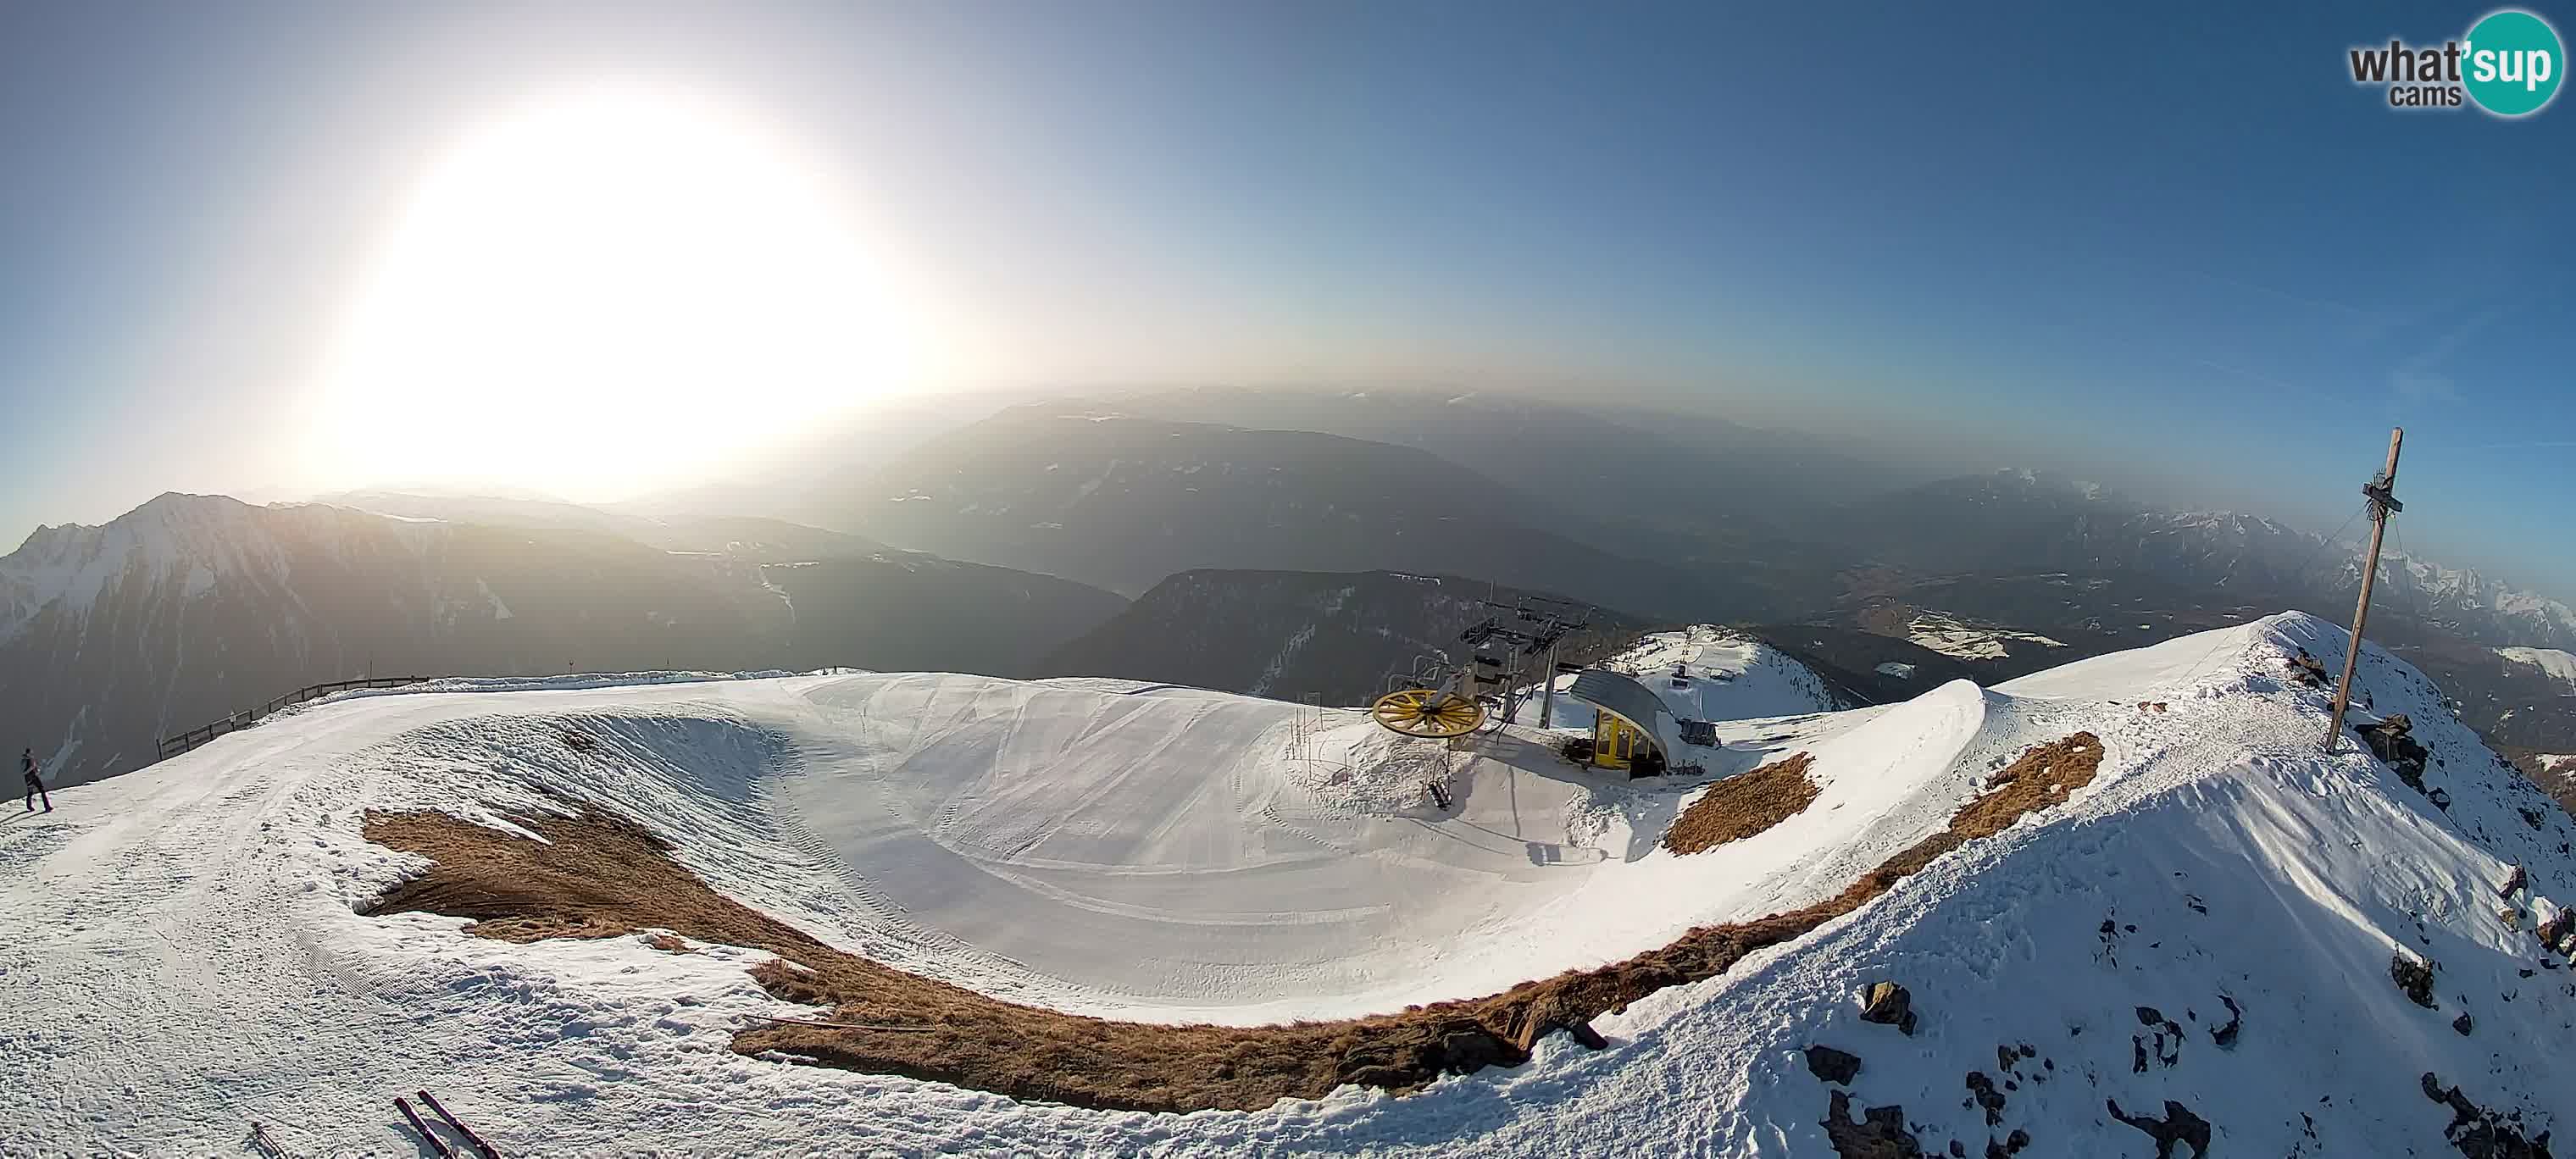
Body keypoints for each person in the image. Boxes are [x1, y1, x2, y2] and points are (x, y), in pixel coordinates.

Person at [20, 747, 48, 812]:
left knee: (31, 792)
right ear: (28, 753)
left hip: (29, 778)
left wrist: (36, 770)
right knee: (42, 790)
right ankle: (47, 807)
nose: (32, 754)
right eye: (30, 753)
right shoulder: (26, 761)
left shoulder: (28, 760)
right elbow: (24, 772)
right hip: (32, 778)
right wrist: (32, 768)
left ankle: (29, 806)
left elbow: (33, 768)